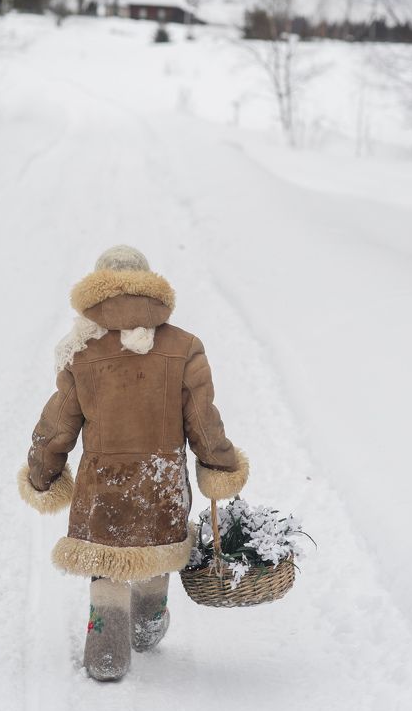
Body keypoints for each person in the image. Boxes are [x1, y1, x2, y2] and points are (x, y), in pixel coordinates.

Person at [18, 245, 248, 681]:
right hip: (161, 481)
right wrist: (220, 465)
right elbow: (203, 419)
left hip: (103, 482)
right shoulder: (184, 346)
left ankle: (106, 650)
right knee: (154, 549)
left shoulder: (81, 352)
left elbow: (57, 423)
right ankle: (147, 624)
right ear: (150, 285)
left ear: (98, 288)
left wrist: (42, 473)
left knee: (109, 561)